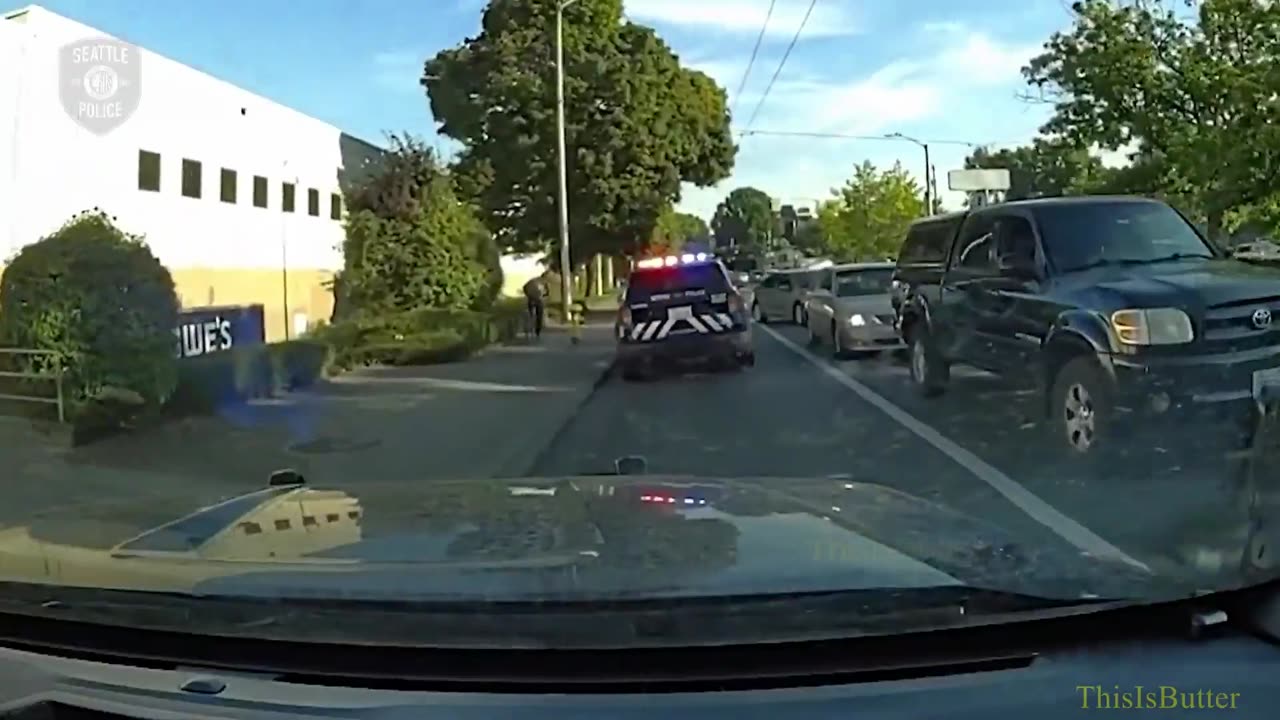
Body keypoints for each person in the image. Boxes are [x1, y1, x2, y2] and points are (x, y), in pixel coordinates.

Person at [522, 272, 549, 338]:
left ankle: (529, 327)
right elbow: (547, 292)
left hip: (531, 298)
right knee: (539, 315)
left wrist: (528, 295)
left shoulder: (532, 280)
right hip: (538, 300)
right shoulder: (544, 282)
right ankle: (537, 331)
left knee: (530, 313)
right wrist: (544, 295)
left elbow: (524, 287)